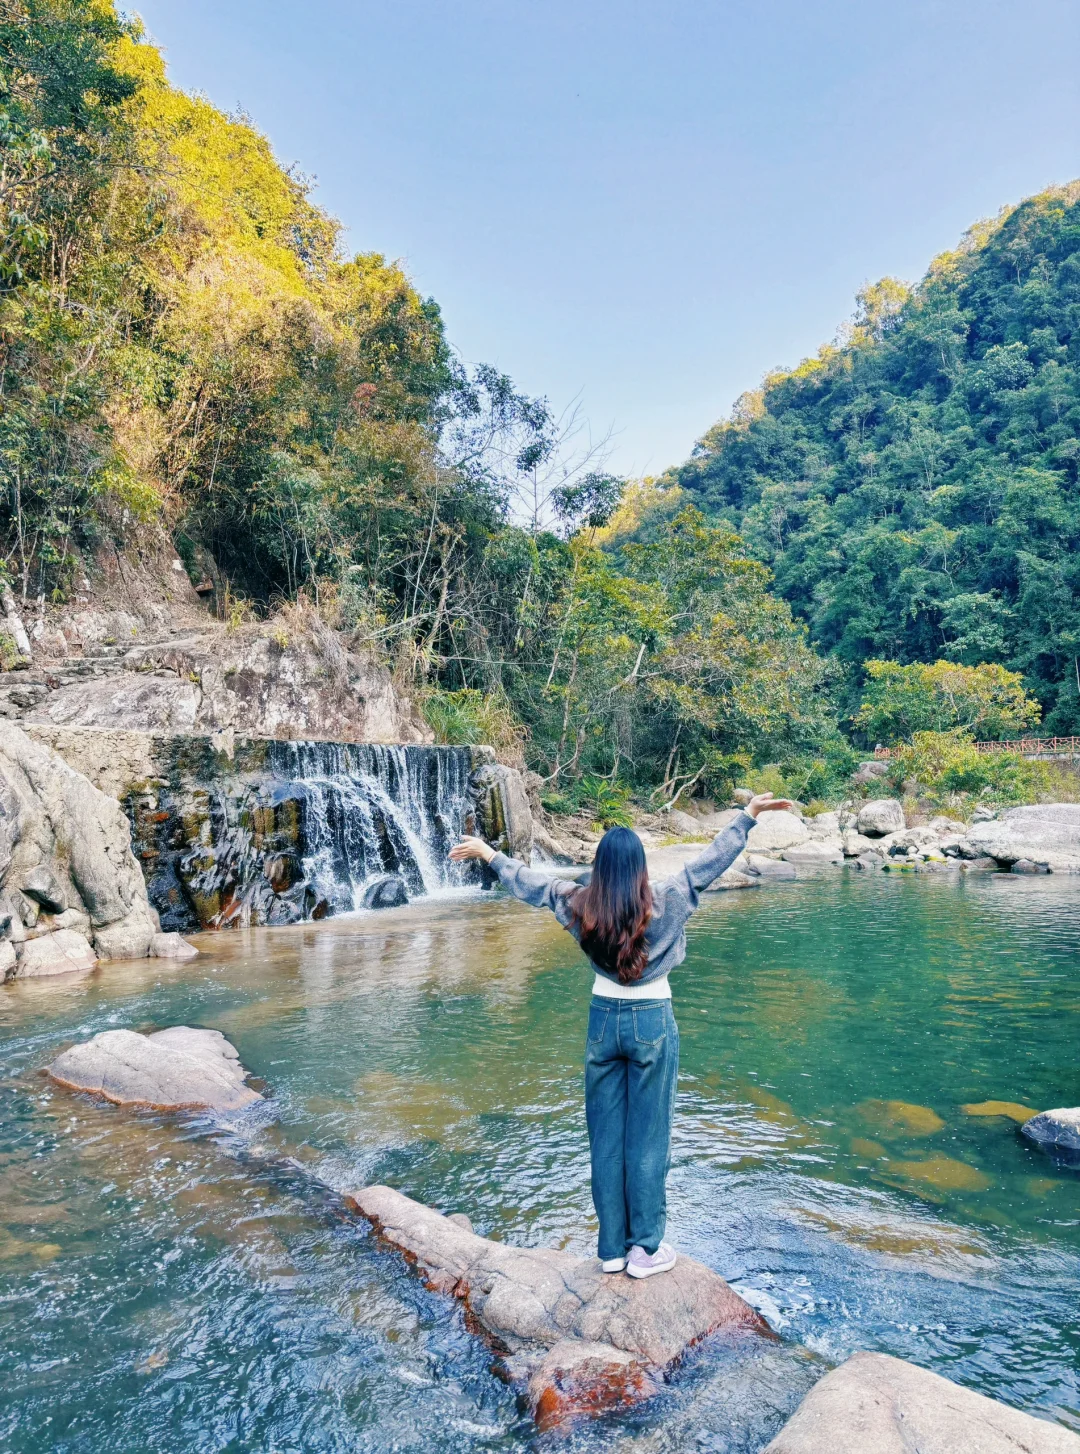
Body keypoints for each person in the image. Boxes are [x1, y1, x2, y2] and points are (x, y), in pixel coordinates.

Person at [449, 791, 793, 1279]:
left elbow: (532, 885)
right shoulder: (668, 899)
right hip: (652, 1019)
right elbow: (708, 864)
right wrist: (747, 817)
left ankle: (610, 1249)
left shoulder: (578, 903)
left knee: (605, 1138)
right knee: (648, 1139)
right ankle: (644, 1251)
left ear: (600, 867)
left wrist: (490, 855)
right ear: (640, 868)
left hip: (602, 1021)